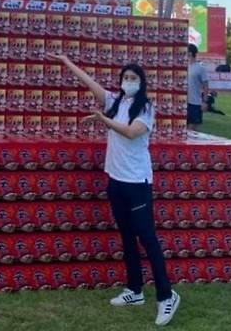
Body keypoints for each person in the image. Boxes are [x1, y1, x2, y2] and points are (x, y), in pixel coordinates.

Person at [47, 53, 180, 327]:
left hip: (137, 182)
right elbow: (90, 83)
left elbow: (131, 133)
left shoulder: (145, 108)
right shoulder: (116, 101)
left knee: (147, 237)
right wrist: (66, 62)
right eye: (125, 78)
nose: (128, 82)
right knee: (127, 235)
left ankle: (167, 295)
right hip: (116, 180)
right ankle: (135, 290)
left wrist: (101, 120)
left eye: (133, 78)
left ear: (141, 83)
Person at [186, 44, 208, 132]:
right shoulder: (183, 66)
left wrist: (205, 102)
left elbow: (205, 86)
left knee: (192, 130)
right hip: (184, 103)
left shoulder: (200, 68)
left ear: (190, 53)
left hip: (195, 103)